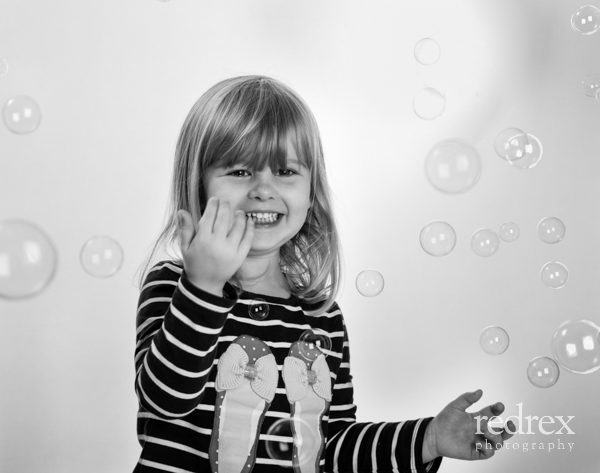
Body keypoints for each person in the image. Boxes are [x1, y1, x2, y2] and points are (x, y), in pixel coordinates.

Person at [133, 75, 513, 473]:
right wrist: (204, 285)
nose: (264, 189)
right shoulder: (176, 286)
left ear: (311, 192)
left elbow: (330, 447)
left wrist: (428, 440)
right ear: (197, 184)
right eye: (240, 171)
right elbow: (165, 399)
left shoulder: (322, 318)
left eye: (285, 171)